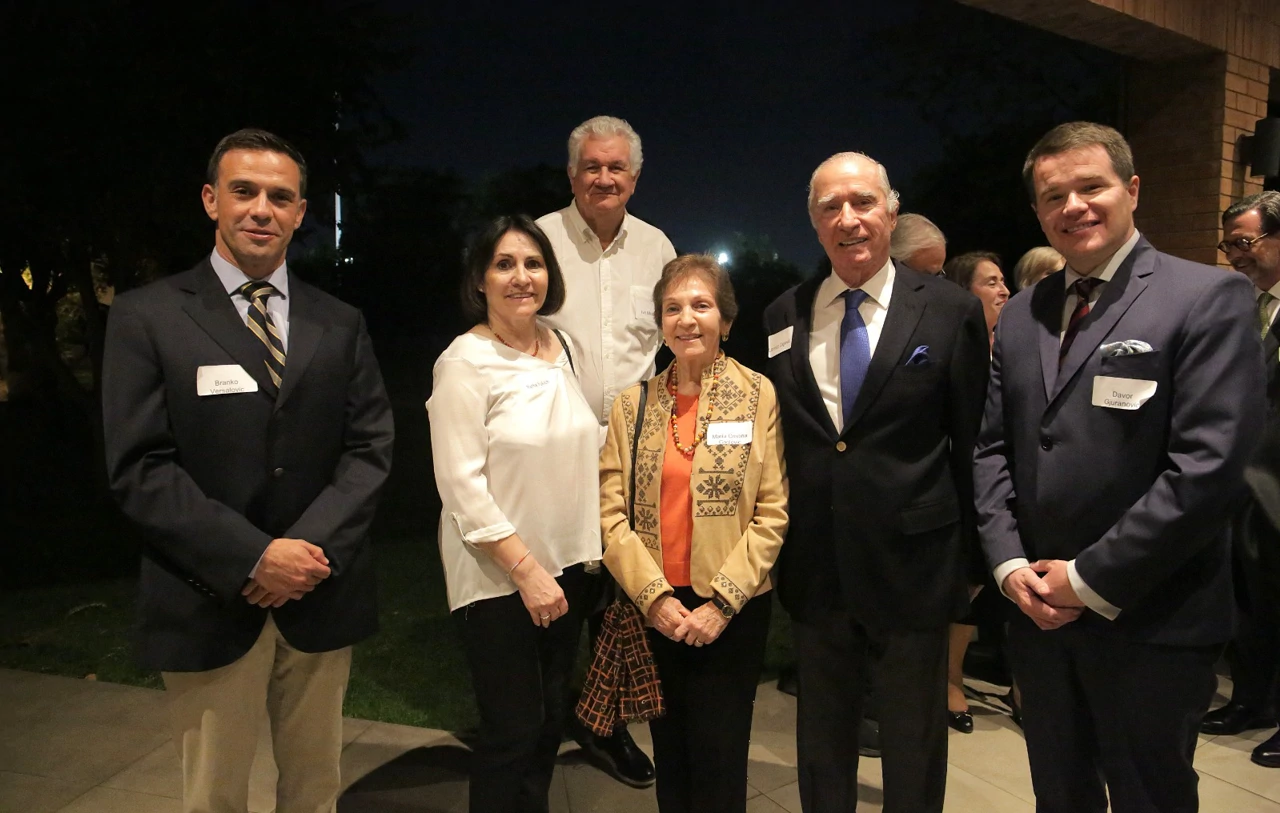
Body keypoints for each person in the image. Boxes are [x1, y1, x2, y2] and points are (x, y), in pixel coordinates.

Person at [973, 121, 1265, 813]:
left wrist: (1085, 578)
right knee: (1060, 794)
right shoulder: (1021, 316)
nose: (1073, 205)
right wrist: (1011, 565)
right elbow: (992, 449)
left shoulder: (1206, 298)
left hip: (1150, 619)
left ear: (1132, 190)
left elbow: (1209, 469)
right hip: (1038, 618)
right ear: (1039, 212)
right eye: (1053, 196)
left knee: (1150, 797)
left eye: (1091, 186)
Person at [102, 128, 395, 813]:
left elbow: (371, 447)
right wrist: (254, 555)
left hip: (319, 593)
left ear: (300, 212)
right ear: (211, 200)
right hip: (207, 596)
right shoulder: (148, 316)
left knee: (315, 790)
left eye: (280, 196)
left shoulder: (339, 321)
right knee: (215, 797)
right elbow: (140, 467)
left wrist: (304, 553)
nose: (261, 208)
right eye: (244, 191)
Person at [763, 152, 990, 813]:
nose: (848, 218)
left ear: (890, 210)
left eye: (862, 202)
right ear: (813, 221)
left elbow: (974, 440)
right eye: (830, 206)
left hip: (915, 565)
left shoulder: (950, 310)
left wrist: (973, 564)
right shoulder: (783, 314)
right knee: (821, 739)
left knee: (913, 741)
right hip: (816, 563)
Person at [600, 254, 788, 813]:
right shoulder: (633, 406)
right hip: (656, 609)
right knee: (672, 755)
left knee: (721, 757)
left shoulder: (757, 396)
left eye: (701, 306)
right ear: (661, 323)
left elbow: (773, 511)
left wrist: (722, 604)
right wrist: (654, 599)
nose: (687, 319)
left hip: (731, 610)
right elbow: (611, 516)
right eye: (673, 308)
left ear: (725, 321)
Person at [427, 215, 601, 813]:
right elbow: (460, 483)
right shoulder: (463, 363)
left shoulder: (565, 347)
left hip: (568, 567)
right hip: (499, 575)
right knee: (512, 729)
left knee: (550, 718)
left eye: (533, 263)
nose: (521, 277)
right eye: (504, 264)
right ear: (479, 279)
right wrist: (526, 572)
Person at [537, 114, 675, 786]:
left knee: (621, 593)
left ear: (635, 177)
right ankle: (540, 717)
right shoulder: (539, 239)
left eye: (616, 167)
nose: (603, 177)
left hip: (631, 448)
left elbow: (668, 342)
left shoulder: (657, 247)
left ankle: (602, 721)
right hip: (550, 449)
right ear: (572, 174)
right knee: (556, 586)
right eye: (592, 166)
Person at [1203, 191, 1280, 767]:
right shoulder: (1246, 308)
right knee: (1250, 604)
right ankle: (1252, 702)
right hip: (1245, 491)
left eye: (1245, 243)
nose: (1234, 256)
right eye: (1229, 244)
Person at [944, 251, 1009, 349]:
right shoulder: (947, 351)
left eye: (1002, 282)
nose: (1006, 292)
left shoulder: (1014, 345)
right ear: (964, 292)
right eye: (992, 284)